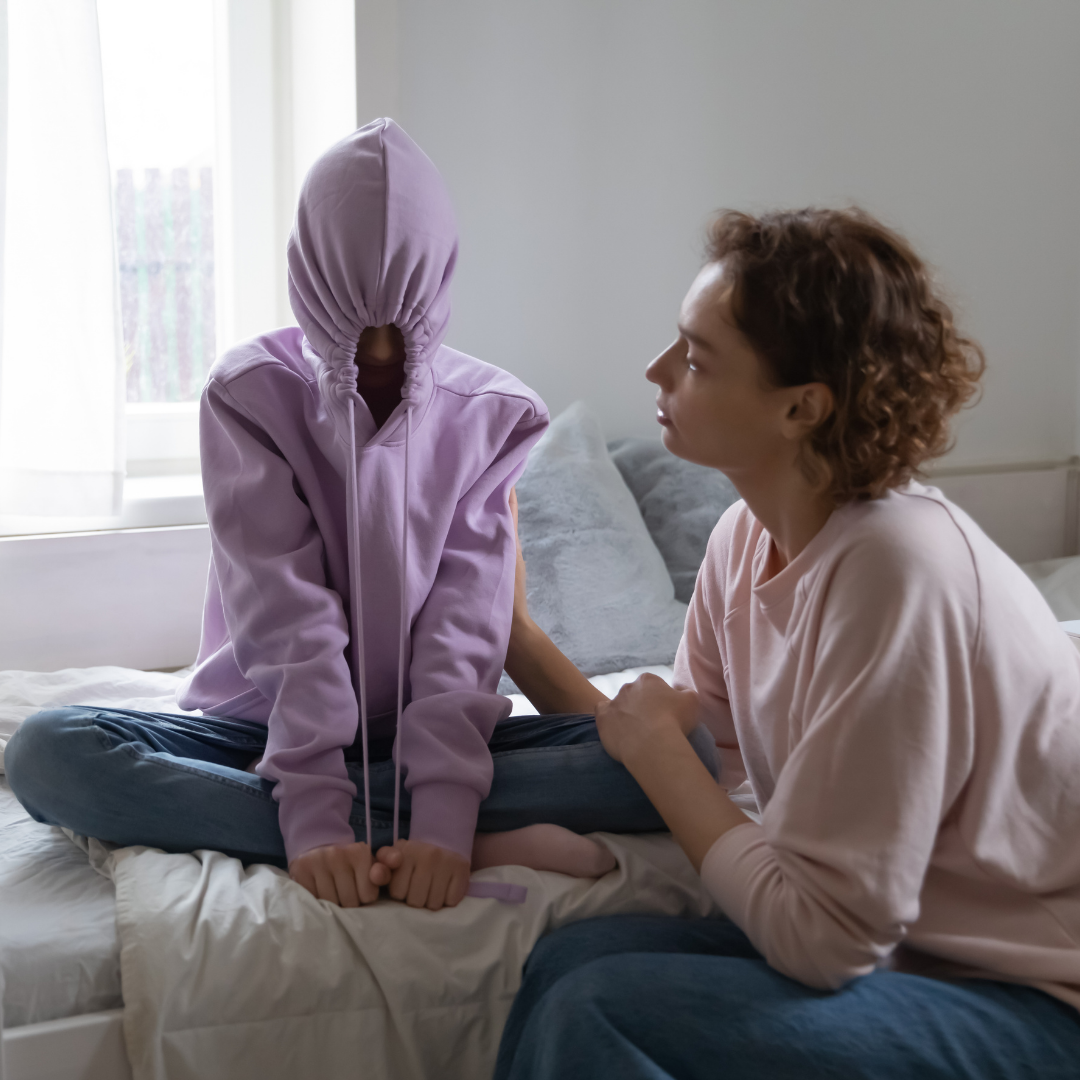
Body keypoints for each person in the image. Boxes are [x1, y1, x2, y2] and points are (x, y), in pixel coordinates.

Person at [5, 119, 716, 912]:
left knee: (688, 761)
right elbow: (290, 625)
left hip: (426, 734)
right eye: (354, 321)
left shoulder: (496, 415)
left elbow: (461, 632)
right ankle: (455, 832)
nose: (378, 351)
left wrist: (444, 820)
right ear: (306, 280)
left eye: (399, 327)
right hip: (261, 731)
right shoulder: (247, 396)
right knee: (46, 752)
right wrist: (313, 817)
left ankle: (407, 822)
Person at [495, 208, 1080, 1078]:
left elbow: (823, 937)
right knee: (565, 962)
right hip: (908, 959)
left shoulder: (897, 568)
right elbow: (723, 793)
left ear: (802, 407)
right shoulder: (740, 542)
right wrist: (593, 844)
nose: (656, 371)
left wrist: (663, 761)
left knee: (603, 1009)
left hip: (1032, 1000)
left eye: (695, 359)